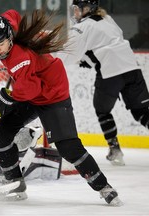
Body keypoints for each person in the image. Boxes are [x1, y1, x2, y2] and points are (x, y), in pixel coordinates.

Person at [0, 9, 122, 206]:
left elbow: (31, 89)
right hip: (33, 88)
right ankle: (15, 184)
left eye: (0, 43)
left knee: (68, 147)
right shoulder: (8, 32)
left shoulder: (18, 59)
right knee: (1, 134)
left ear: (9, 37)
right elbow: (12, 14)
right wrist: (2, 19)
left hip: (52, 95)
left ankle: (104, 187)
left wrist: (8, 97)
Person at [56, 0, 149, 166]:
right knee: (142, 112)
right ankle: (115, 149)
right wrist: (90, 59)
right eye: (74, 9)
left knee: (102, 110)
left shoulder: (83, 27)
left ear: (88, 9)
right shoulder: (108, 19)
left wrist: (49, 60)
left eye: (78, 9)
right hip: (132, 68)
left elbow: (70, 54)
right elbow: (112, 41)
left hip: (110, 73)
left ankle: (115, 149)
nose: (75, 13)